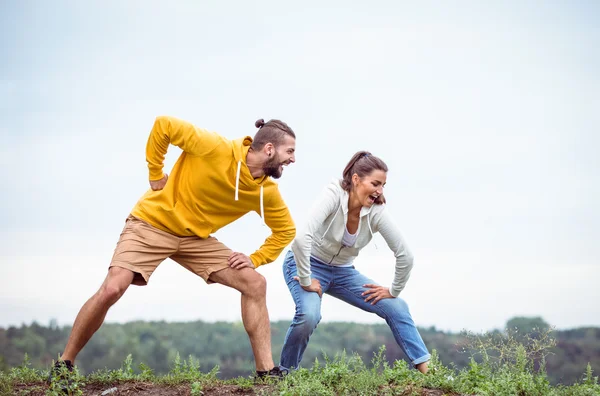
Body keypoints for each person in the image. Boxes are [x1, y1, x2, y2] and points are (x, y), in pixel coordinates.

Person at [50, 116, 297, 381]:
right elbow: (164, 125)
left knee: (255, 283)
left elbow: (285, 230)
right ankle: (64, 365)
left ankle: (266, 373)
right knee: (113, 287)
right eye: (290, 151)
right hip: (153, 222)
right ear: (269, 149)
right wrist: (155, 173)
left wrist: (255, 258)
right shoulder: (215, 148)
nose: (293, 159)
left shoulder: (266, 191)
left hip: (194, 239)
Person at [278, 151, 430, 373]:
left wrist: (393, 290)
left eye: (383, 185)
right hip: (305, 263)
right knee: (309, 315)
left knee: (397, 306)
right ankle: (285, 373)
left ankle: (429, 373)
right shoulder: (333, 194)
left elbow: (405, 254)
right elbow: (302, 239)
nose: (380, 191)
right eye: (375, 183)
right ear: (356, 179)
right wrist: (305, 278)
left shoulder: (377, 212)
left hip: (342, 272)